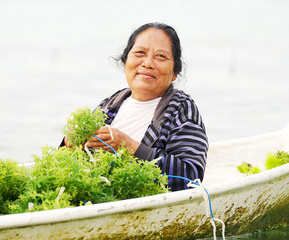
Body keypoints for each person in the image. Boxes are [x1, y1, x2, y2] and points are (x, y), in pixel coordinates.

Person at [62, 22, 208, 191]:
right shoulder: (110, 104)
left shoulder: (181, 109)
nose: (147, 63)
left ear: (175, 72)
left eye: (161, 56)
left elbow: (189, 176)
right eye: (140, 53)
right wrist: (70, 144)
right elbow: (76, 165)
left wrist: (129, 146)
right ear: (125, 62)